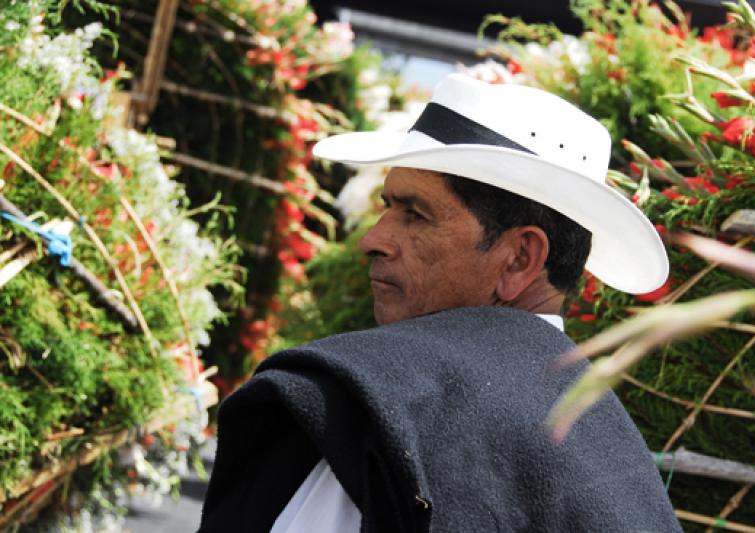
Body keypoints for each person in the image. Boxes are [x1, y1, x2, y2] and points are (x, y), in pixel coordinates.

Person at [198, 74, 682, 532]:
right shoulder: (625, 464)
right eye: (388, 207)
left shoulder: (389, 407)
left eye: (417, 214)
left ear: (519, 258)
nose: (374, 239)